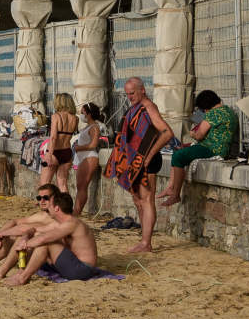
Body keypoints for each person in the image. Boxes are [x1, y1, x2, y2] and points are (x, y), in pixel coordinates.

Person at [106, 76, 173, 253]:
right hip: (134, 162)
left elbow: (167, 133)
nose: (130, 97)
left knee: (146, 200)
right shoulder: (135, 108)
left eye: (133, 93)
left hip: (147, 161)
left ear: (142, 90)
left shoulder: (148, 107)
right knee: (138, 201)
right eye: (128, 94)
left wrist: (148, 156)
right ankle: (144, 240)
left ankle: (146, 243)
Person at [158, 90, 238, 207]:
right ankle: (170, 186)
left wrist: (192, 134)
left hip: (211, 149)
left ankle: (175, 194)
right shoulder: (230, 112)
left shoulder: (214, 113)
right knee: (179, 150)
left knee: (178, 155)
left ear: (205, 107)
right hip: (221, 149)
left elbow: (199, 135)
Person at [0, 184, 62, 277]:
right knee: (10, 237)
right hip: (38, 255)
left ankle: (0, 272)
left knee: (22, 237)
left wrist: (2, 233)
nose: (42, 201)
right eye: (39, 198)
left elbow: (25, 228)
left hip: (50, 258)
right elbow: (14, 221)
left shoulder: (59, 217)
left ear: (55, 198)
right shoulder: (42, 215)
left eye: (46, 198)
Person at [5, 191, 101, 286]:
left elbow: (43, 239)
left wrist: (24, 244)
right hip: (72, 264)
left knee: (46, 243)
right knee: (38, 238)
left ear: (56, 208)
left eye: (50, 206)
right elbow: (35, 230)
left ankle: (22, 278)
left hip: (83, 269)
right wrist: (25, 237)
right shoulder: (60, 223)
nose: (47, 208)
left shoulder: (72, 223)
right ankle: (20, 273)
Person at [40, 93, 78, 191]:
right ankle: (66, 206)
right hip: (67, 153)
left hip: (54, 153)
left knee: (44, 184)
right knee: (63, 185)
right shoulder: (75, 118)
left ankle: (45, 206)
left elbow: (53, 138)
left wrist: (48, 154)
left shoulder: (56, 116)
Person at [72, 103, 104, 216]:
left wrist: (78, 147)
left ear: (89, 114)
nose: (81, 115)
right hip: (83, 158)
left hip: (89, 157)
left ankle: (76, 212)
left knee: (82, 186)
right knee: (80, 186)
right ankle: (76, 211)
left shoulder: (94, 127)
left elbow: (93, 145)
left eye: (82, 112)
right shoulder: (88, 126)